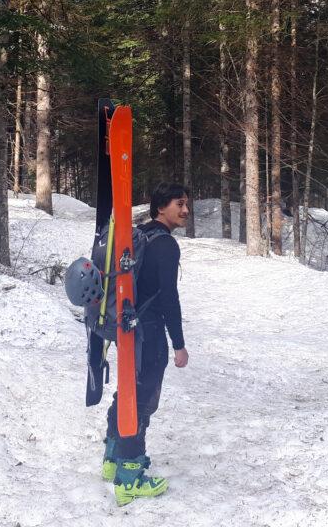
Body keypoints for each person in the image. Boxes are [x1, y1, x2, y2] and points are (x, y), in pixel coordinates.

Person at [102, 182, 190, 506]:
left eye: (186, 204)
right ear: (160, 207)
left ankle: (112, 458)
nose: (185, 210)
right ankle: (129, 476)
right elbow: (169, 297)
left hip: (128, 328)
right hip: (149, 332)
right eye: (179, 204)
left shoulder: (139, 234)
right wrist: (178, 344)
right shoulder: (165, 245)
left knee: (127, 391)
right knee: (141, 402)